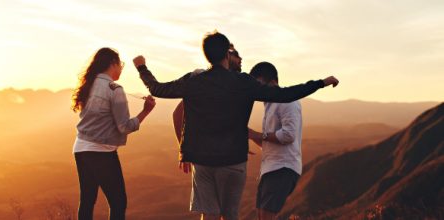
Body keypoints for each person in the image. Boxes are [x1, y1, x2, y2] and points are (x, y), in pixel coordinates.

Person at [133, 31, 339, 220]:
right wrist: (320, 83)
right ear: (227, 54)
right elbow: (284, 94)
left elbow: (158, 89)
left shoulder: (194, 81)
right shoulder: (243, 82)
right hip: (233, 160)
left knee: (209, 215)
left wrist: (142, 67)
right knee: (230, 215)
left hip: (202, 161)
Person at [72, 47, 156, 220]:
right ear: (113, 64)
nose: (121, 68)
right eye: (120, 64)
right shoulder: (114, 89)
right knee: (118, 202)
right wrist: (146, 111)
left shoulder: (88, 85)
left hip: (80, 148)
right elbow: (124, 127)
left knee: (87, 200)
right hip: (101, 151)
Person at [173, 43, 244, 172]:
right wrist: (184, 151)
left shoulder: (232, 85)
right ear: (226, 56)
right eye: (236, 55)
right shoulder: (203, 81)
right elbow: (178, 114)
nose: (241, 59)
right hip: (204, 161)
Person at [247, 62, 303, 220]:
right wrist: (252, 135)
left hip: (283, 168)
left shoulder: (287, 101)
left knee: (266, 216)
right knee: (261, 215)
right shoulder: (269, 104)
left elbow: (288, 135)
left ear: (272, 82)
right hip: (270, 168)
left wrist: (258, 134)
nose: (257, 91)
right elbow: (269, 142)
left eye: (259, 85)